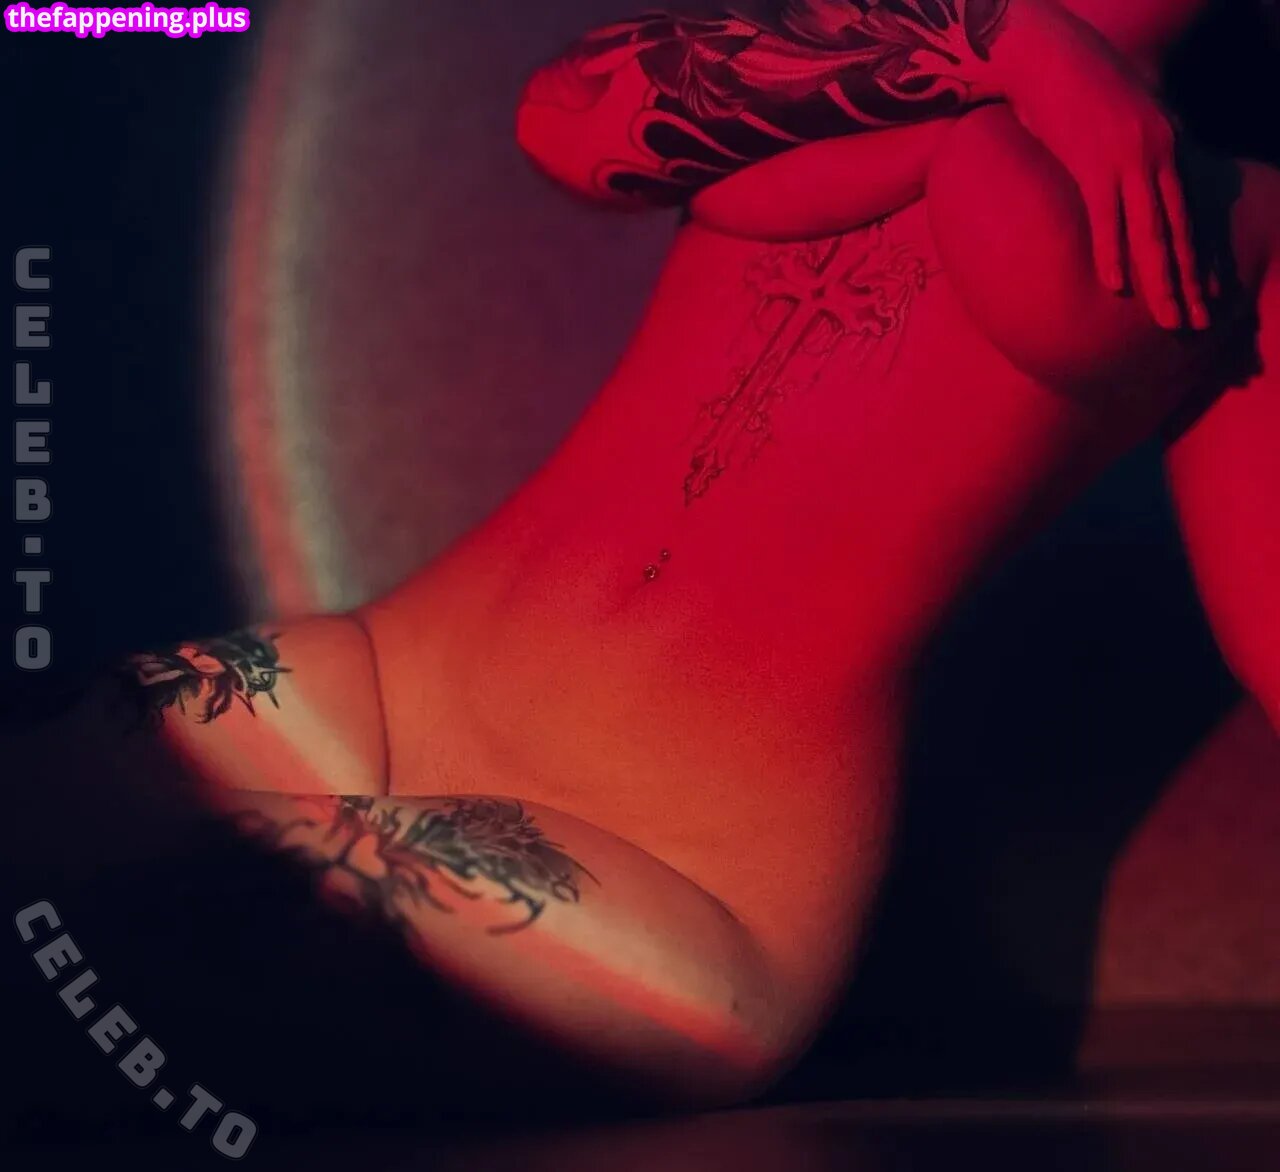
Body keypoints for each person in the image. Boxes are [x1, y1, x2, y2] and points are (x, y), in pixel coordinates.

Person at [8, 0, 1279, 1122]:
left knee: (117, 949)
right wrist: (1008, 45)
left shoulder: (1255, 226)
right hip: (384, 685)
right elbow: (568, 120)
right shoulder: (879, 35)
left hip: (668, 871)